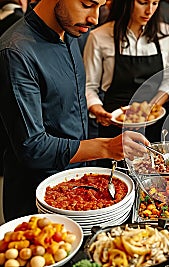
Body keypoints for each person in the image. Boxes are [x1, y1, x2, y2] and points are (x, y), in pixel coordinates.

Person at [0, 0, 150, 222]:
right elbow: (32, 147)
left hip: (80, 181)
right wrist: (106, 146)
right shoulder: (15, 51)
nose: (95, 18)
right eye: (87, 4)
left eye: (100, 6)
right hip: (39, 199)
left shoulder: (70, 31)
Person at [84, 0, 169, 145]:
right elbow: (89, 86)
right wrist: (97, 109)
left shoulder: (166, 34)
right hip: (114, 124)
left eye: (155, 3)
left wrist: (152, 107)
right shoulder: (98, 36)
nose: (149, 10)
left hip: (155, 125)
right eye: (143, 2)